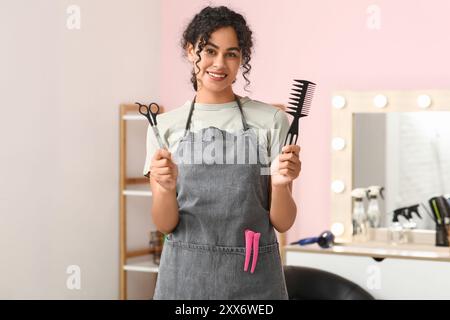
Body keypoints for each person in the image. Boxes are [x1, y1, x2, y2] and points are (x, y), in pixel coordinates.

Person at [142, 5, 301, 300]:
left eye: (231, 53)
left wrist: (280, 186)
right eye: (210, 51)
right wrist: (164, 188)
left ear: (242, 59)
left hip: (252, 279)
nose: (219, 63)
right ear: (191, 52)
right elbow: (165, 225)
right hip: (184, 279)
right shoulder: (163, 127)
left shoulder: (271, 120)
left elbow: (283, 222)